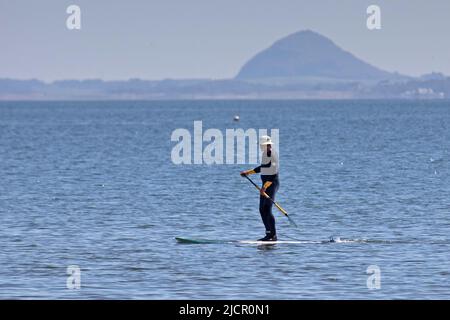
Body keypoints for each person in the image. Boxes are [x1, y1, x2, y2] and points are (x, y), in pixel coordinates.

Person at [240, 135, 279, 241]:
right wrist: (248, 172)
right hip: (265, 186)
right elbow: (262, 168)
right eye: (261, 146)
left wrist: (265, 187)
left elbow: (273, 175)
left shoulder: (273, 156)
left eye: (264, 145)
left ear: (269, 145)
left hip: (271, 184)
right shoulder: (265, 155)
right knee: (262, 209)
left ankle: (273, 235)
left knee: (267, 208)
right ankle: (268, 234)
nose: (262, 147)